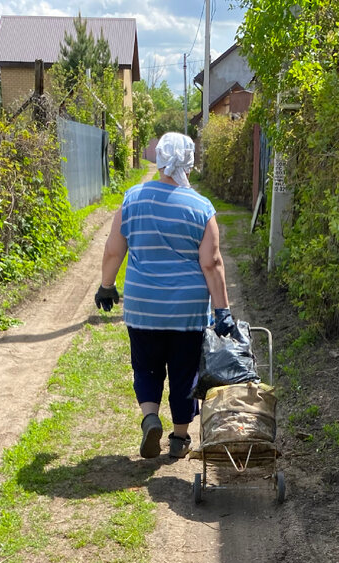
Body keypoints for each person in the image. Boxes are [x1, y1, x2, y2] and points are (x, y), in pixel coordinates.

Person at [95, 132, 240, 460]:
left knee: (145, 367)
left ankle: (150, 418)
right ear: (189, 161)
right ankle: (178, 438)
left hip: (143, 306)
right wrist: (223, 311)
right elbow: (212, 263)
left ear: (159, 159)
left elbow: (113, 251)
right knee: (183, 372)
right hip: (187, 311)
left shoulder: (132, 199)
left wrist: (106, 285)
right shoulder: (201, 208)